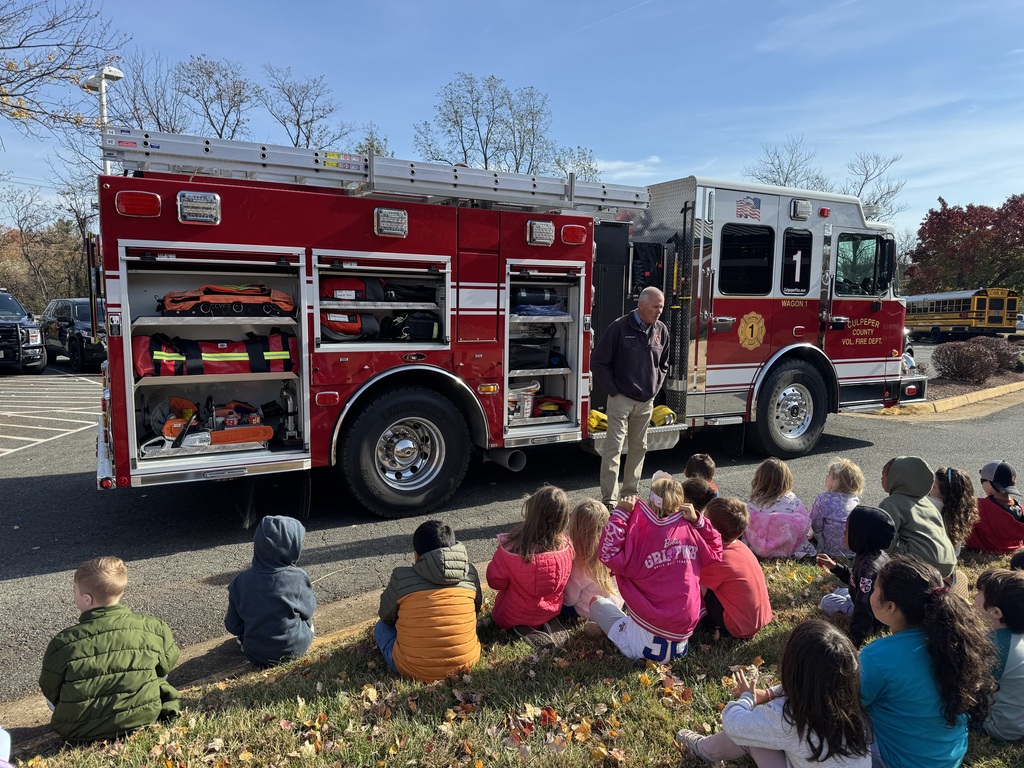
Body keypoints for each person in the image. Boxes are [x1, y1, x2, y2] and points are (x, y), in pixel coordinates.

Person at [860, 556, 997, 768]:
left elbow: (848, 703)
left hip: (898, 762)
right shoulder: (959, 642)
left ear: (889, 607)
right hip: (949, 758)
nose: (871, 593)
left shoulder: (877, 657)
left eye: (875, 588)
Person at [676, 619, 871, 767]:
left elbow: (734, 724)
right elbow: (815, 685)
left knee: (751, 735)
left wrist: (747, 698)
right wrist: (769, 693)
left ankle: (703, 749)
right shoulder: (850, 708)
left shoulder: (788, 719)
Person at [39, 557, 181, 742]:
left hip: (79, 730)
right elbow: (166, 666)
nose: (73, 595)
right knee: (156, 670)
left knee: (55, 692)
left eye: (74, 591)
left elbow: (49, 688)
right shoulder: (154, 628)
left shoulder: (63, 642)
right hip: (143, 717)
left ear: (87, 599)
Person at [591, 473, 722, 661]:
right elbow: (717, 548)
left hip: (640, 646)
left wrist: (620, 513)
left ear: (651, 503)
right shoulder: (692, 532)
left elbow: (607, 553)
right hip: (681, 639)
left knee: (596, 601)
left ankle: (623, 627)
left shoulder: (641, 536)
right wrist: (699, 521)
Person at [591, 286, 670, 507]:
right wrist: (613, 391)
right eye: (656, 306)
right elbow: (598, 362)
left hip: (646, 401)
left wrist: (655, 388)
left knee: (639, 447)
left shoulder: (661, 330)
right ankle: (610, 499)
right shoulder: (618, 327)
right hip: (621, 399)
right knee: (613, 448)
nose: (659, 311)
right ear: (641, 305)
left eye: (661, 307)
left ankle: (629, 494)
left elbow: (663, 364)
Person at [375, 520, 482, 683]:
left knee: (381, 627)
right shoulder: (471, 573)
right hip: (466, 663)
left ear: (417, 554)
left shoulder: (401, 577)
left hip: (412, 668)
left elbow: (386, 616)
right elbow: (476, 608)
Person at [486, 485, 574, 645]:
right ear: (563, 518)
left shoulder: (510, 548)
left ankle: (521, 626)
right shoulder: (567, 547)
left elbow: (495, 581)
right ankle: (547, 621)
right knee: (546, 612)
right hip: (553, 608)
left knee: (513, 617)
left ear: (531, 512)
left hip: (511, 614)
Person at [225, 515, 316, 667]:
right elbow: (308, 611)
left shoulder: (239, 582)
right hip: (295, 649)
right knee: (307, 622)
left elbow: (233, 626)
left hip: (255, 654)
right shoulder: (298, 577)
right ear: (292, 546)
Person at [817, 505, 895, 648]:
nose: (843, 533)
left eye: (847, 531)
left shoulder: (868, 571)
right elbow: (853, 579)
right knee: (839, 592)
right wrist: (834, 567)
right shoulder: (873, 554)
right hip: (863, 596)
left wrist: (854, 641)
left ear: (859, 536)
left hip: (873, 611)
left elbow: (863, 608)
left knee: (826, 601)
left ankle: (848, 607)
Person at [699, 496, 772, 640]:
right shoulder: (740, 547)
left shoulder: (716, 559)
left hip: (738, 626)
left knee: (702, 590)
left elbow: (697, 593)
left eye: (704, 520)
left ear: (712, 531)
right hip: (759, 618)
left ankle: (715, 628)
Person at [878, 457, 956, 578]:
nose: (881, 478)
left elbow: (886, 539)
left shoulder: (891, 503)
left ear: (897, 478)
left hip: (923, 561)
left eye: (884, 475)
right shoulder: (928, 504)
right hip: (948, 562)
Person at [973, 568, 1024, 741]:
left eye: (980, 593)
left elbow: (965, 682)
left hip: (1001, 727)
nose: (974, 597)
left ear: (996, 612)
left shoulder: (995, 646)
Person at [562, 499, 622, 621]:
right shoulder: (614, 547)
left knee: (562, 606)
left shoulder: (579, 558)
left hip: (590, 610)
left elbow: (570, 599)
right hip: (615, 602)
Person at [744, 457, 816, 559]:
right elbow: (804, 522)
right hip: (787, 548)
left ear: (759, 479)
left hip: (755, 546)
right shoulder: (793, 501)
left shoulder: (753, 501)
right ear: (787, 479)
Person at [964, 461, 1024, 554]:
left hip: (986, 548)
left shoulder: (980, 506)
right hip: (1014, 548)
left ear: (990, 483)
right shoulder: (1022, 510)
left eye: (982, 481)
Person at [810, 458, 864, 557]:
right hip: (852, 551)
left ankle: (821, 549)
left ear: (837, 481)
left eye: (829, 474)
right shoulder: (854, 499)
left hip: (830, 550)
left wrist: (815, 535)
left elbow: (815, 524)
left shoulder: (823, 499)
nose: (826, 476)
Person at [927, 466, 978, 555]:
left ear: (945, 493)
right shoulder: (961, 510)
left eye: (933, 486)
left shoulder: (929, 503)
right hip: (951, 556)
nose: (928, 487)